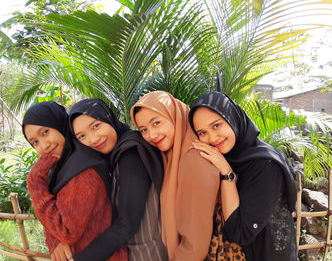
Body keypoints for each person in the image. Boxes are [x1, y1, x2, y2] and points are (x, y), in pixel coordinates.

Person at [130, 91, 245, 261]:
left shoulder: (194, 158)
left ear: (174, 116)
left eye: (156, 123)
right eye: (143, 129)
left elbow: (195, 243)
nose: (151, 135)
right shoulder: (175, 155)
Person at [188, 91, 297, 261]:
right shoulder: (227, 158)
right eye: (202, 133)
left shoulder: (264, 164)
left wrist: (227, 174)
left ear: (233, 118)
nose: (212, 138)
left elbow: (239, 233)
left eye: (216, 125)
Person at [22, 101, 128, 261]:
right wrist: (55, 241)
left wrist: (35, 181)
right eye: (34, 142)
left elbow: (66, 231)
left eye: (45, 132)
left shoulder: (82, 171)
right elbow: (57, 218)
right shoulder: (67, 166)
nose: (43, 145)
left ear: (60, 124)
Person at [66, 98, 168, 261]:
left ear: (108, 118)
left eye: (96, 126)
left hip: (147, 253)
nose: (92, 139)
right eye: (82, 136)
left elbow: (126, 224)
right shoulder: (116, 154)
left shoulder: (130, 155)